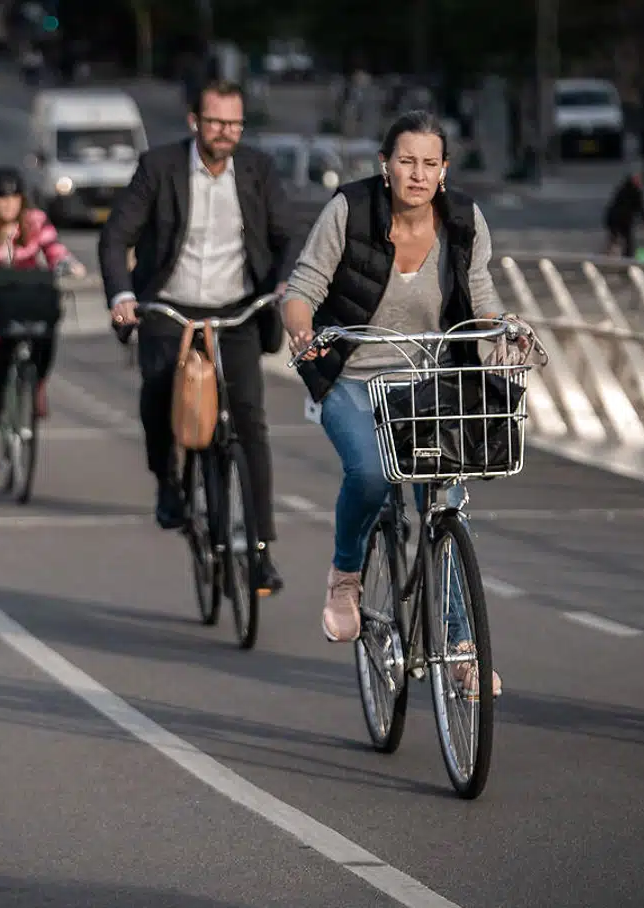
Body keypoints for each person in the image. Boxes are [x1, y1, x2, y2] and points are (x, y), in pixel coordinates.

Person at [281, 110, 515, 697]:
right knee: (367, 472)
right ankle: (345, 576)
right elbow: (303, 288)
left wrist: (501, 329)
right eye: (406, 161)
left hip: (429, 380)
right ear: (385, 166)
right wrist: (304, 333)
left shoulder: (463, 220)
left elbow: (480, 295)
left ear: (444, 170)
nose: (417, 174)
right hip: (352, 373)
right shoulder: (349, 210)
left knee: (448, 505)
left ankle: (461, 649)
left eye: (429, 163)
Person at [98, 79, 300, 595]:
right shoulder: (159, 168)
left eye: (234, 123)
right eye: (215, 122)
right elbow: (117, 234)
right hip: (170, 307)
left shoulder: (257, 170)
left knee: (250, 422)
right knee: (161, 394)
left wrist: (282, 282)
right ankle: (169, 482)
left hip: (236, 311)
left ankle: (259, 551)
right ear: (194, 121)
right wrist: (122, 295)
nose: (225, 132)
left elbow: (285, 236)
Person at [0, 166, 85, 471]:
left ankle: (38, 383)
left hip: (26, 302)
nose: (8, 205)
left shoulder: (35, 221)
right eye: (1, 199)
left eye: (13, 198)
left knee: (47, 327)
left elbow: (55, 250)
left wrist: (69, 264)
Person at [604, 172, 644, 258]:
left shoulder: (623, 189)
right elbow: (640, 207)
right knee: (627, 240)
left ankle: (613, 254)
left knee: (616, 238)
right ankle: (624, 257)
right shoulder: (635, 192)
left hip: (615, 218)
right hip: (622, 219)